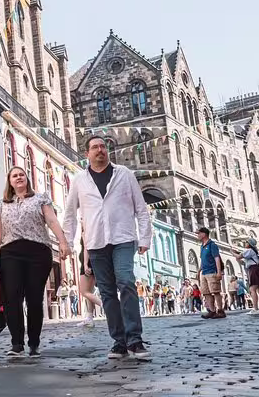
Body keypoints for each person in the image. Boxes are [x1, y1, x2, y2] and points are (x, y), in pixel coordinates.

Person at [63, 136, 152, 360]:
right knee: (107, 292)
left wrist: (145, 239)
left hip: (123, 238)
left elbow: (141, 209)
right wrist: (67, 242)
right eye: (95, 147)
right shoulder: (79, 180)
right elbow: (70, 215)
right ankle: (119, 342)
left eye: (103, 146)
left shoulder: (125, 174)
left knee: (126, 281)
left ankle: (135, 339)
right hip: (95, 242)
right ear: (87, 154)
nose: (100, 150)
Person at [0, 166, 71, 358]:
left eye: (22, 174)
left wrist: (63, 241)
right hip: (10, 252)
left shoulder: (40, 198)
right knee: (12, 298)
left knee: (34, 298)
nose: (18, 177)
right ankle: (16, 344)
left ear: (27, 179)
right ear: (9, 181)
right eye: (14, 175)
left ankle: (34, 342)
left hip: (37, 251)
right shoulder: (2, 204)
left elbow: (51, 221)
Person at [234, 238, 259, 316]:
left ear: (249, 244)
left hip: (253, 270)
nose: (245, 243)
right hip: (257, 270)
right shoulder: (254, 252)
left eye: (246, 242)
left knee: (252, 289)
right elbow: (243, 262)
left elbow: (239, 256)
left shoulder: (249, 250)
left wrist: (232, 252)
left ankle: (255, 308)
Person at [77, 225, 103, 328]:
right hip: (94, 260)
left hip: (88, 262)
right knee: (89, 292)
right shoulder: (95, 228)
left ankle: (108, 307)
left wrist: (85, 264)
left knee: (84, 292)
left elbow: (86, 247)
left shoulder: (86, 228)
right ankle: (89, 318)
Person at [197, 227, 226, 319]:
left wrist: (218, 272)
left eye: (199, 233)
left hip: (212, 272)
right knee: (206, 293)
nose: (197, 235)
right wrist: (199, 271)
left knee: (216, 291)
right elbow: (202, 260)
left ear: (204, 234)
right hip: (204, 272)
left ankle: (220, 310)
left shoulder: (212, 245)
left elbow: (216, 258)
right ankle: (212, 311)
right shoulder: (202, 246)